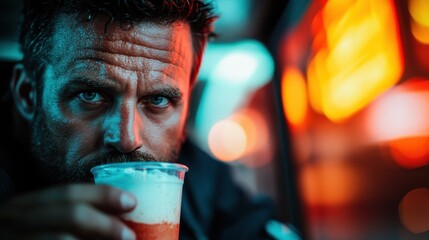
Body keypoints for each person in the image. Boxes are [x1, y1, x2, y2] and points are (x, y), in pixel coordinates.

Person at [0, 0, 300, 239]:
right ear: (27, 94)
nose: (128, 138)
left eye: (158, 100)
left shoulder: (202, 182)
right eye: (90, 95)